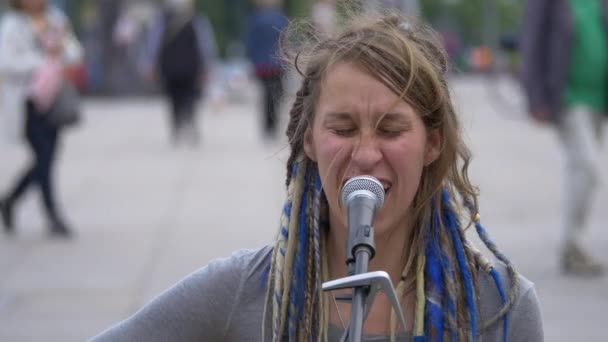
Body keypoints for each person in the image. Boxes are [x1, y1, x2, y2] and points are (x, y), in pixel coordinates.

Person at [91, 11, 543, 341]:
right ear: (309, 140)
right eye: (342, 129)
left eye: (391, 129)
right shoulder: (243, 291)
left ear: (433, 142)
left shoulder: (501, 308)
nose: (365, 154)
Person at [521, 0, 606, 276]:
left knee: (579, 172)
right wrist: (535, 96)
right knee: (588, 168)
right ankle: (574, 245)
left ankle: (573, 242)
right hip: (568, 98)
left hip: (598, 99)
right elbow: (532, 42)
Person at [0, 0, 83, 237]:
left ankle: (10, 199)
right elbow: (6, 61)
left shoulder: (55, 20)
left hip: (53, 100)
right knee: (44, 156)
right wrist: (43, 63)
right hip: (27, 101)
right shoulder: (12, 25)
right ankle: (53, 214)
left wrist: (61, 53)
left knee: (47, 158)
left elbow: (75, 51)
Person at [142, 0, 217, 147]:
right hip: (191, 67)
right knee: (190, 96)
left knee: (173, 98)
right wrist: (208, 65)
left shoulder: (161, 21)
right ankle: (189, 120)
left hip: (169, 67)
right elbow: (205, 44)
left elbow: (153, 44)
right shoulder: (196, 20)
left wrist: (149, 65)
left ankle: (177, 126)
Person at [246, 0, 289, 140]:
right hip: (278, 64)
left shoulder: (256, 18)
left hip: (262, 65)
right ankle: (274, 124)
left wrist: (253, 61)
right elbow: (286, 41)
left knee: (266, 95)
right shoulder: (281, 18)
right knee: (277, 94)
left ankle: (267, 126)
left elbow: (251, 43)